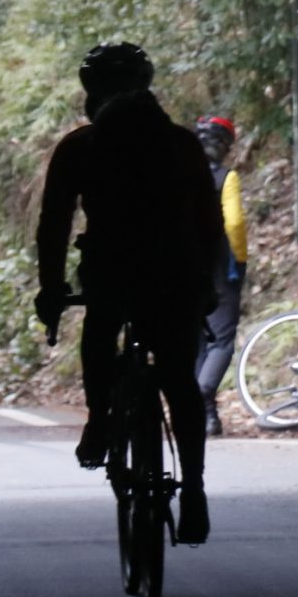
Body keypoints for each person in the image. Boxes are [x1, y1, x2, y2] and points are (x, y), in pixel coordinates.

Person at [34, 42, 225, 544]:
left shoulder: (79, 147)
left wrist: (51, 288)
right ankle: (195, 490)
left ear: (90, 91)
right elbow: (209, 221)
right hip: (175, 271)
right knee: (178, 379)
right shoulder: (180, 144)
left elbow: (54, 225)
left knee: (100, 334)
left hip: (111, 270)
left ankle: (99, 421)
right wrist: (206, 281)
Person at [192, 115, 249, 436]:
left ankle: (207, 417)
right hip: (218, 268)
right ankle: (202, 394)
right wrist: (238, 260)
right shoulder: (225, 178)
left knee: (197, 340)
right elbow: (235, 223)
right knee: (221, 339)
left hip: (180, 269)